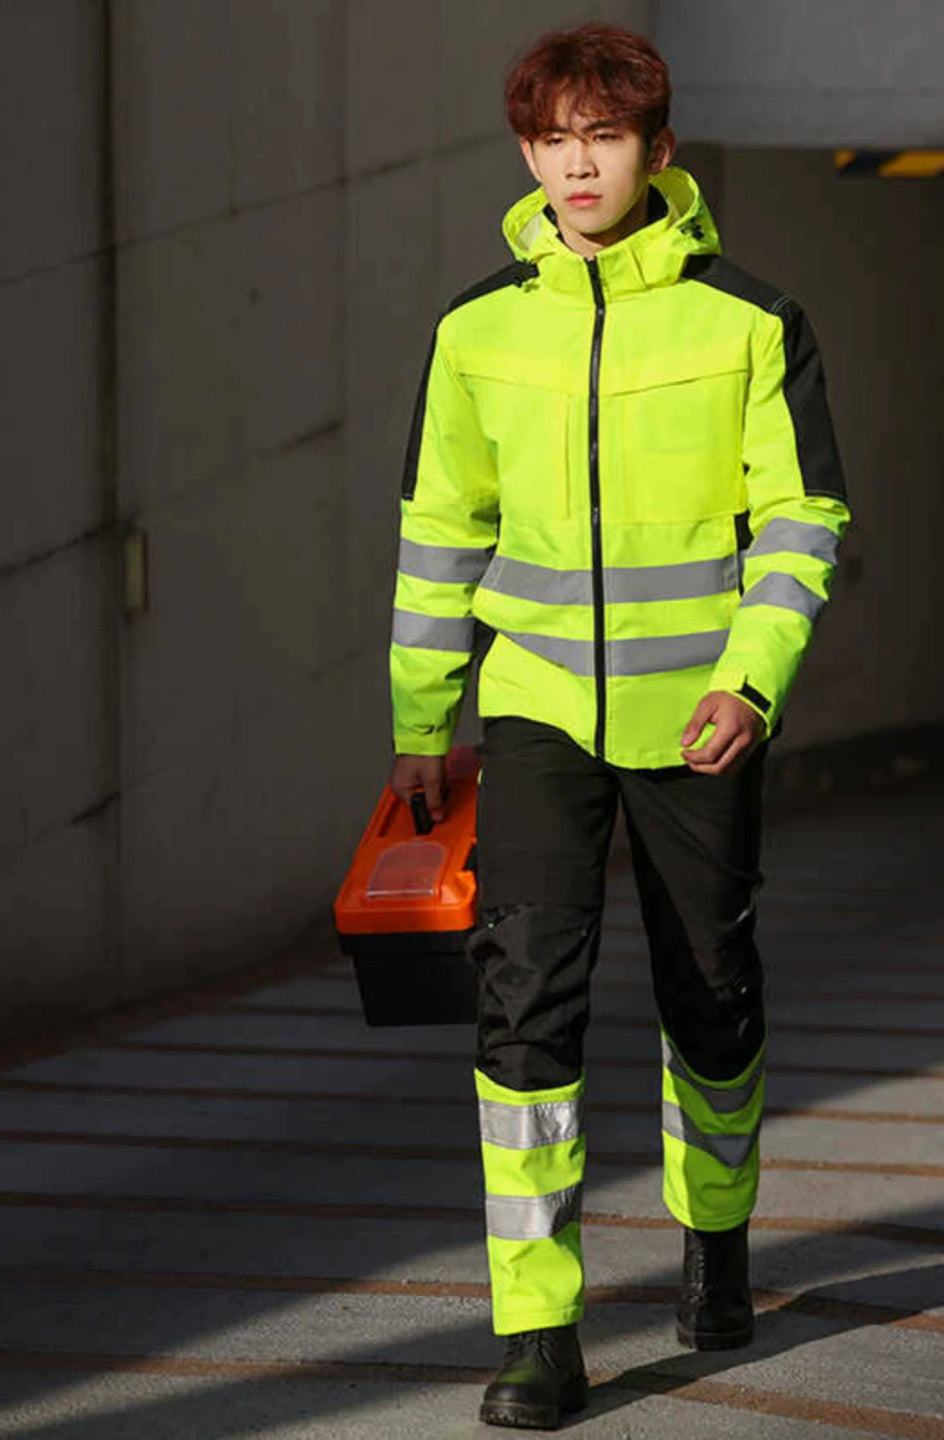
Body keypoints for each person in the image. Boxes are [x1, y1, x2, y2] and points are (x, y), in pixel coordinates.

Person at [387, 20, 850, 1433]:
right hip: (533, 715)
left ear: (657, 148)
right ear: (526, 151)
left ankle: (715, 1240)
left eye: (600, 135)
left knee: (710, 992)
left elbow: (801, 520)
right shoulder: (476, 329)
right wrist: (421, 718)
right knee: (524, 1003)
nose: (573, 162)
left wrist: (750, 677)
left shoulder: (750, 322)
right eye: (549, 137)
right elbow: (440, 530)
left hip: (699, 720)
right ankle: (540, 1330)